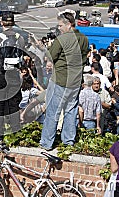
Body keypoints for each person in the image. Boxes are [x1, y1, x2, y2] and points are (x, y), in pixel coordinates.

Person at [40, 10, 88, 150]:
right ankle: (68, 141)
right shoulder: (84, 39)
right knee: (71, 111)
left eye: (60, 25)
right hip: (75, 81)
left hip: (60, 79)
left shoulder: (61, 39)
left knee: (53, 112)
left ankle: (47, 143)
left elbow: (50, 56)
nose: (59, 28)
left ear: (68, 24)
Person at [0, 12, 25, 142]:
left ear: (1, 22)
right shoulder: (19, 38)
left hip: (0, 75)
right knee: (14, 105)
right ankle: (15, 133)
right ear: (13, 23)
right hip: (14, 74)